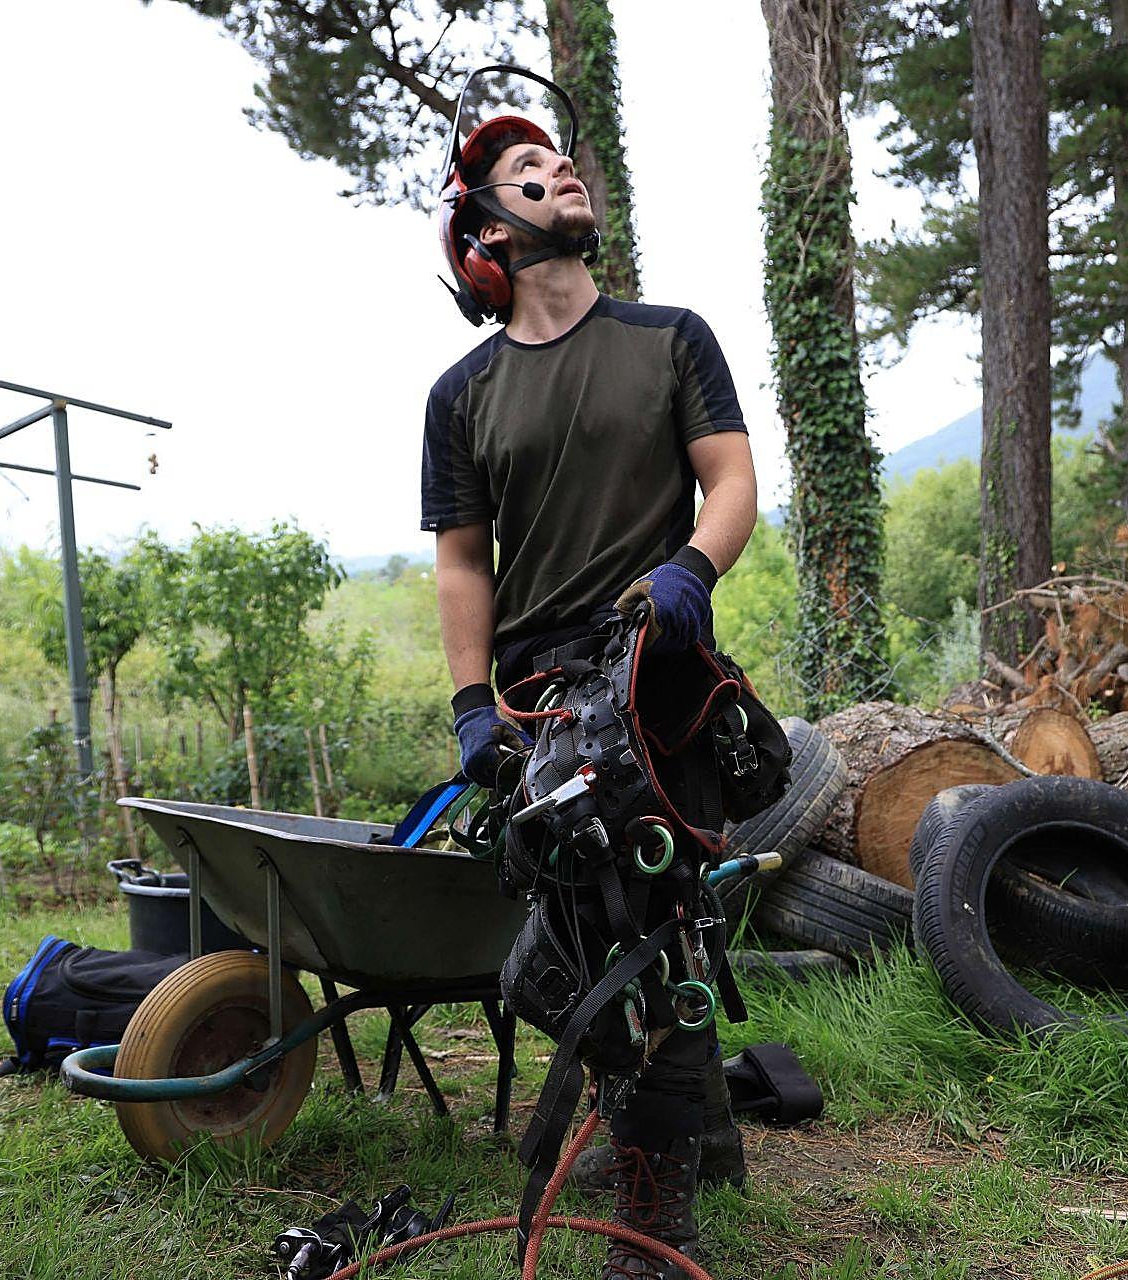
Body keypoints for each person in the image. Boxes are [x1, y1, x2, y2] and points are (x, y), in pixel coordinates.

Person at [422, 106, 758, 1280]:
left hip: (655, 663)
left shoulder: (671, 337)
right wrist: (473, 704)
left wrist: (690, 568)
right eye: (528, 168)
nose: (560, 168)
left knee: (660, 921)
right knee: (592, 928)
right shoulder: (461, 395)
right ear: (485, 232)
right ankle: (689, 1136)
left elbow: (731, 480)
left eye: (560, 159)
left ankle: (658, 1221)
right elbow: (464, 559)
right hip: (539, 693)